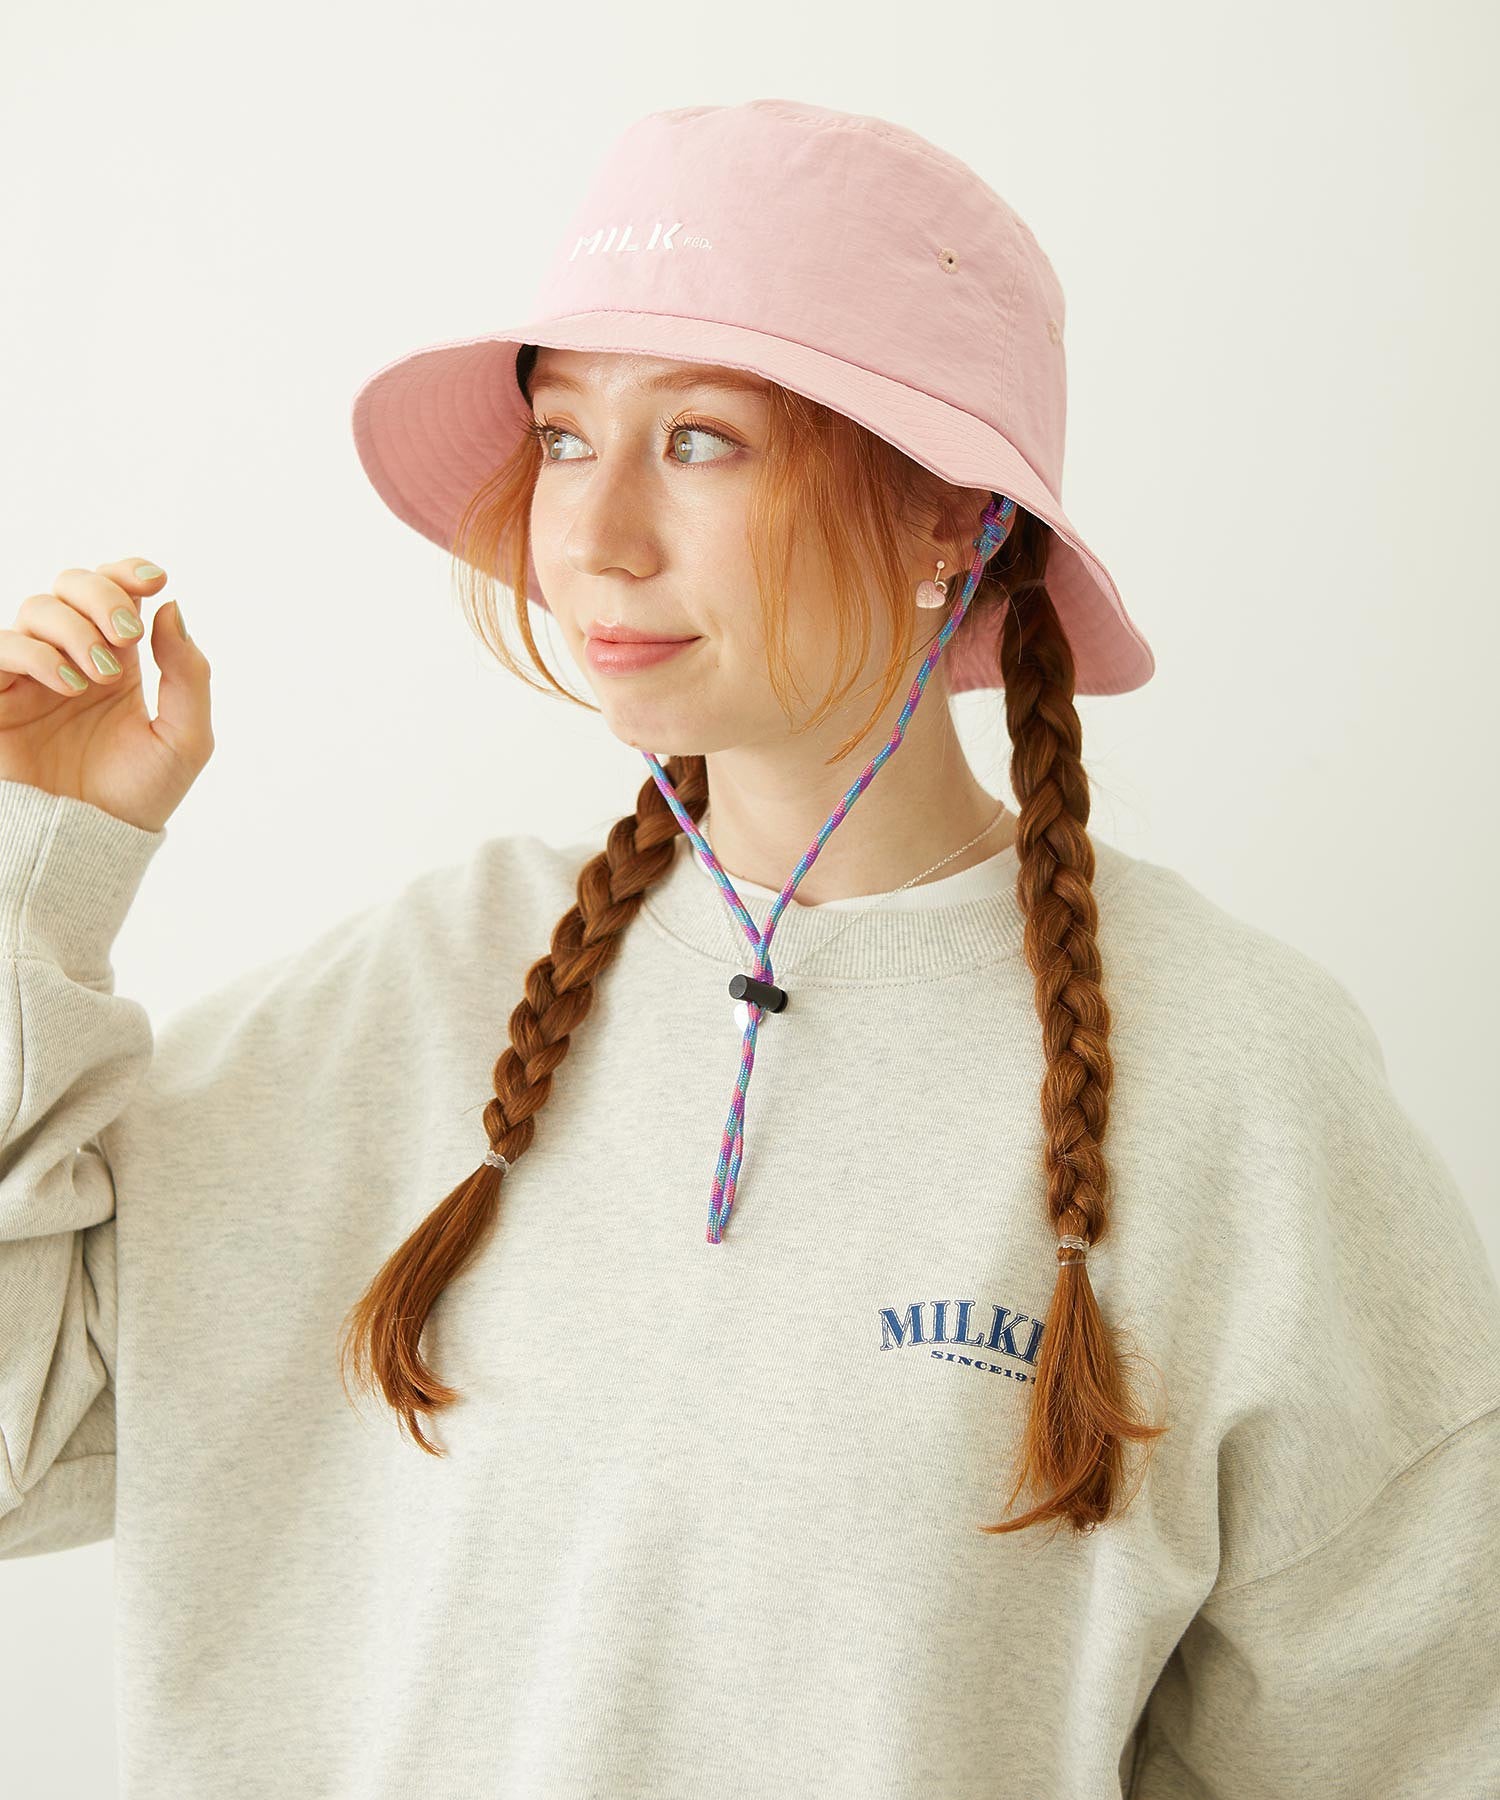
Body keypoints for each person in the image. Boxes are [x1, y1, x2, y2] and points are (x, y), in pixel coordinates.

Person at [2, 96, 1496, 1800]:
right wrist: (39, 866)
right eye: (565, 437)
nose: (594, 534)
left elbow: (1414, 1744)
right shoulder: (413, 995)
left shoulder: (1238, 1080)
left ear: (954, 522)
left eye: (702, 439)